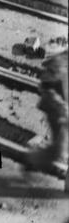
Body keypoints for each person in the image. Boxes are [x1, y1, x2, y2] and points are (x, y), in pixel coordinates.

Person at [24, 50, 68, 191]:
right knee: (58, 151)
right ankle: (31, 159)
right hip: (57, 113)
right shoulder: (59, 63)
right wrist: (63, 108)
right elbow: (45, 88)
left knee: (62, 148)